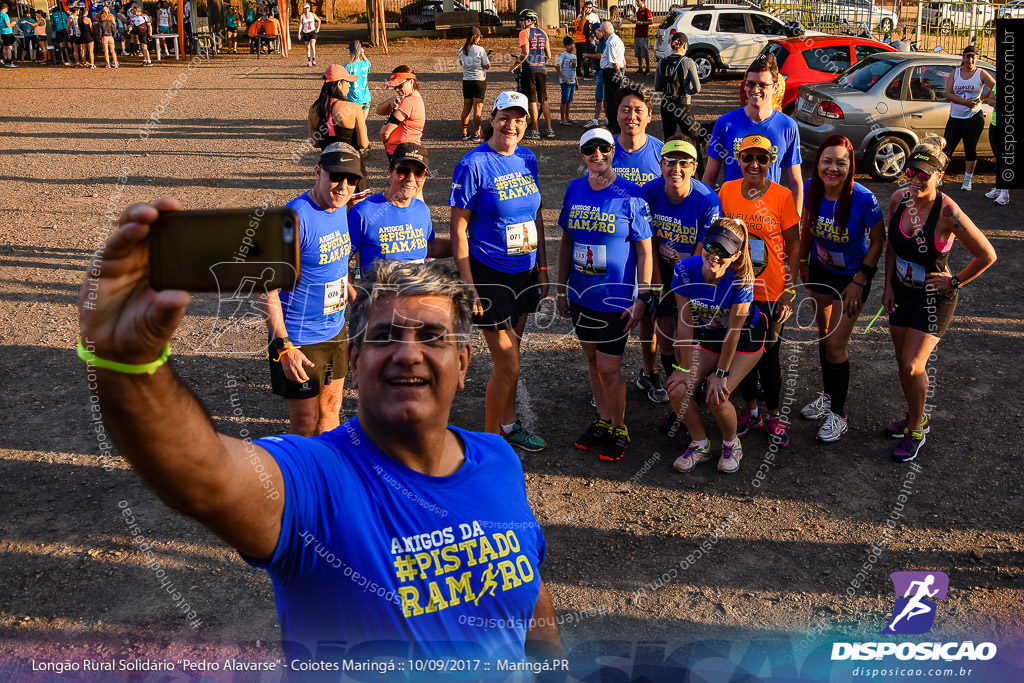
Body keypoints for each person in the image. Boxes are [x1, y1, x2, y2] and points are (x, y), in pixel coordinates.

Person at [78, 237, 562, 663]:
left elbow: (531, 594)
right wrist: (132, 365)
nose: (408, 352)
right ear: (354, 361)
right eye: (385, 335)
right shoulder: (314, 476)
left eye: (431, 337)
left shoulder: (498, 461)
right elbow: (203, 476)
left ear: (462, 362)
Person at [882, 135, 996, 461]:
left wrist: (955, 280)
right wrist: (888, 286)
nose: (916, 179)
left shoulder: (948, 213)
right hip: (902, 293)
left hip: (934, 298)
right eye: (911, 171)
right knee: (902, 363)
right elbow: (892, 245)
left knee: (913, 363)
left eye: (924, 174)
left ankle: (918, 427)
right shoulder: (899, 199)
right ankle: (913, 414)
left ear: (939, 177)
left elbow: (986, 254)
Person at [449, 91, 550, 452]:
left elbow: (535, 213)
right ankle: (490, 446)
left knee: (514, 360)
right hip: (488, 273)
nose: (512, 125)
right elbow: (458, 228)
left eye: (520, 119)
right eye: (505, 117)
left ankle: (508, 425)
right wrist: (468, 286)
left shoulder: (527, 157)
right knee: (508, 364)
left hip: (524, 270)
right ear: (491, 119)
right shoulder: (473, 164)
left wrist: (542, 266)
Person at [556, 127, 653, 462]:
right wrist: (561, 287)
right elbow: (567, 240)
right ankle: (601, 420)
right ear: (582, 155)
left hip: (617, 299)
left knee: (610, 369)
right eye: (589, 150)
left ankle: (619, 426)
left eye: (604, 149)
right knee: (593, 362)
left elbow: (644, 251)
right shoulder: (574, 189)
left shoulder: (632, 195)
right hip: (582, 295)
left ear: (614, 151)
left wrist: (643, 297)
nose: (597, 155)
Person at [259, 143, 362, 437]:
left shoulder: (343, 209)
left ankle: (326, 475)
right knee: (304, 422)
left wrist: (363, 306)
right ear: (318, 172)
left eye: (351, 179)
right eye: (336, 176)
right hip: (299, 337)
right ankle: (302, 480)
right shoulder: (294, 219)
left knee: (331, 409)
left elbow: (339, 269)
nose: (343, 186)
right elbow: (266, 288)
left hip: (335, 330)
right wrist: (284, 346)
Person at [798, 135, 886, 443]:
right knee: (823, 339)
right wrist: (803, 261)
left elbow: (878, 241)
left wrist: (859, 281)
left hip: (852, 279)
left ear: (851, 167)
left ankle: (839, 413)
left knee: (836, 345)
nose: (832, 168)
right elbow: (807, 225)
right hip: (821, 272)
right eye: (827, 161)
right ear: (818, 162)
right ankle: (828, 395)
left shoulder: (864, 198)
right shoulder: (811, 188)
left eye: (841, 163)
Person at [665, 218, 766, 474]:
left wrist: (720, 375)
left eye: (724, 251)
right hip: (709, 334)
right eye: (711, 246)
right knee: (677, 389)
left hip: (745, 337)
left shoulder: (741, 278)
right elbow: (685, 322)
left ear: (736, 256)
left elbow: (734, 331)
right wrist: (684, 369)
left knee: (717, 396)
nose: (715, 255)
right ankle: (700, 443)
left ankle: (732, 443)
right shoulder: (685, 269)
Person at [718, 134, 800, 447]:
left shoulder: (782, 196)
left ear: (771, 162)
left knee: (769, 355)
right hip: (739, 288)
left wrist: (790, 291)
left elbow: (794, 245)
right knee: (741, 351)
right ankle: (750, 410)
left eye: (761, 159)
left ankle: (774, 413)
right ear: (738, 160)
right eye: (748, 158)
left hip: (772, 291)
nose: (754, 164)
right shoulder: (727, 190)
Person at [642, 138, 721, 439]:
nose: (676, 168)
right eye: (670, 162)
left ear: (695, 167)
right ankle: (677, 402)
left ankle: (693, 404)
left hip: (696, 275)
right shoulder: (650, 192)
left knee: (688, 340)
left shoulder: (707, 200)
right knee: (665, 336)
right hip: (663, 272)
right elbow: (645, 240)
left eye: (684, 162)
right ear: (660, 164)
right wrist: (654, 281)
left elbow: (704, 252)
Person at [609, 85, 666, 403]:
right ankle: (607, 377)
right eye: (625, 109)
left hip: (653, 249)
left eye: (638, 110)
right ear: (617, 113)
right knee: (611, 312)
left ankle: (649, 372)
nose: (631, 115)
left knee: (650, 315)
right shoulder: (606, 150)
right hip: (616, 250)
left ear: (649, 115)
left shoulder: (660, 151)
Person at [703, 53, 802, 211]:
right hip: (732, 217)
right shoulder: (726, 123)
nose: (755, 90)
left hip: (770, 215)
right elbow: (709, 177)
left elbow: (796, 182)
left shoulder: (787, 126)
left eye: (763, 85)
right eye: (750, 84)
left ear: (775, 87)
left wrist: (794, 222)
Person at [349, 143, 451, 274]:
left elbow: (429, 246)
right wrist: (352, 293)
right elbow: (340, 260)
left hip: (416, 292)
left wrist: (468, 245)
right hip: (379, 294)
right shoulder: (363, 212)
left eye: (419, 173)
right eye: (403, 171)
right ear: (390, 171)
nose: (411, 179)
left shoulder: (421, 210)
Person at [308, 64, 370, 200]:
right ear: (340, 84)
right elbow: (363, 143)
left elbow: (315, 143)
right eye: (347, 82)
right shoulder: (354, 107)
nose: (349, 86)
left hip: (328, 164)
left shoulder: (314, 109)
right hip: (351, 164)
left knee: (331, 205)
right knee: (355, 207)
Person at [943, 45, 995, 191]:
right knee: (947, 148)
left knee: (970, 148)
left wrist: (982, 99)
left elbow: (995, 87)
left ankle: (967, 181)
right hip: (955, 116)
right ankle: (939, 176)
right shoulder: (955, 73)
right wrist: (965, 102)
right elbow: (949, 93)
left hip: (973, 117)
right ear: (963, 57)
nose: (970, 60)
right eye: (968, 56)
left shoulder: (981, 73)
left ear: (977, 59)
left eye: (973, 57)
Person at [654, 32, 704, 174]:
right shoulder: (688, 62)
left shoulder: (662, 62)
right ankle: (701, 175)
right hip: (683, 104)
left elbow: (657, 87)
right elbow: (697, 88)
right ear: (685, 45)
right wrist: (687, 91)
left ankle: (665, 173)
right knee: (694, 140)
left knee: (668, 141)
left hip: (666, 104)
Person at [514, 8, 554, 139]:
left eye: (522, 20)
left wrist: (514, 65)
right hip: (541, 69)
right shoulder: (543, 33)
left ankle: (535, 130)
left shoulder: (524, 33)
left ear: (529, 20)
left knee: (532, 100)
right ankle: (549, 129)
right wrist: (541, 62)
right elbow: (548, 55)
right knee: (544, 100)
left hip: (529, 70)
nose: (520, 22)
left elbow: (525, 53)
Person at [378, 66, 425, 161]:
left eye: (400, 86)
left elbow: (384, 132)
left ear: (411, 81)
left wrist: (386, 143)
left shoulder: (408, 102)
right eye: (395, 87)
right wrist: (390, 100)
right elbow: (379, 111)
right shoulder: (414, 99)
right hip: (410, 150)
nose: (397, 89)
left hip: (400, 150)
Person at [458, 27, 490, 141]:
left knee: (466, 108)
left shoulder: (461, 49)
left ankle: (464, 132)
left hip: (466, 81)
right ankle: (477, 133)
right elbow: (486, 65)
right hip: (479, 81)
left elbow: (462, 63)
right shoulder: (480, 50)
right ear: (476, 37)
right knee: (478, 109)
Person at [599, 20, 626, 134]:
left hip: (611, 72)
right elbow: (623, 59)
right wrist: (622, 73)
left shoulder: (611, 42)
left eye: (602, 31)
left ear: (605, 32)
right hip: (615, 71)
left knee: (611, 99)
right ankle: (614, 123)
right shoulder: (618, 40)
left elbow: (614, 62)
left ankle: (614, 125)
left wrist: (619, 74)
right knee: (614, 98)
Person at [983, 86, 1008, 205]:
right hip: (994, 123)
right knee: (997, 156)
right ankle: (999, 188)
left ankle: (1005, 193)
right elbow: (990, 100)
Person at [582, 24, 607, 128]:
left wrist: (588, 55)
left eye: (595, 32)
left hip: (602, 72)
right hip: (601, 71)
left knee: (599, 96)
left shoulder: (604, 42)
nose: (594, 35)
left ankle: (595, 119)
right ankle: (607, 117)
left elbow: (601, 55)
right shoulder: (601, 41)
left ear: (599, 30)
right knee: (605, 96)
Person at [345, 41, 372, 122]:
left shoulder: (348, 67)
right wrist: (363, 55)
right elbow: (369, 63)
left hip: (353, 99)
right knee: (362, 124)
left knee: (353, 123)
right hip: (365, 97)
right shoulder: (365, 64)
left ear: (350, 52)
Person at [573, 0, 597, 80]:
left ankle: (578, 74)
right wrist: (591, 36)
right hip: (584, 41)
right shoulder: (585, 21)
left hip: (577, 40)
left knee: (579, 58)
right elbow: (586, 31)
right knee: (586, 57)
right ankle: (586, 74)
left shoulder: (578, 19)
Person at [556, 37, 576, 126]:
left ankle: (567, 117)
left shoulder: (574, 56)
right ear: (565, 46)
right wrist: (562, 77)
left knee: (569, 101)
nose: (571, 46)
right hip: (565, 82)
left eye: (572, 44)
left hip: (572, 81)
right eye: (569, 45)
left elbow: (574, 69)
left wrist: (576, 81)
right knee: (564, 100)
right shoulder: (564, 55)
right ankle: (562, 119)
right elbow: (557, 65)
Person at [633, 0, 653, 75]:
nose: (637, 3)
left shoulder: (647, 11)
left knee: (645, 52)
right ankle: (640, 68)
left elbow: (651, 22)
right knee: (638, 53)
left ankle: (648, 68)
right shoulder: (638, 12)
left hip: (644, 35)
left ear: (642, 1)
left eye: (638, 1)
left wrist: (642, 23)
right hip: (637, 34)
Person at [297, 3, 320, 67]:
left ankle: (314, 60)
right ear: (304, 9)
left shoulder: (312, 15)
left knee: (313, 45)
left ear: (309, 9)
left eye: (307, 8)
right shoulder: (302, 16)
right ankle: (309, 60)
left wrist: (318, 28)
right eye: (305, 8)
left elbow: (319, 20)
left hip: (312, 32)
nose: (306, 10)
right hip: (305, 32)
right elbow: (301, 25)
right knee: (307, 47)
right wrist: (299, 33)